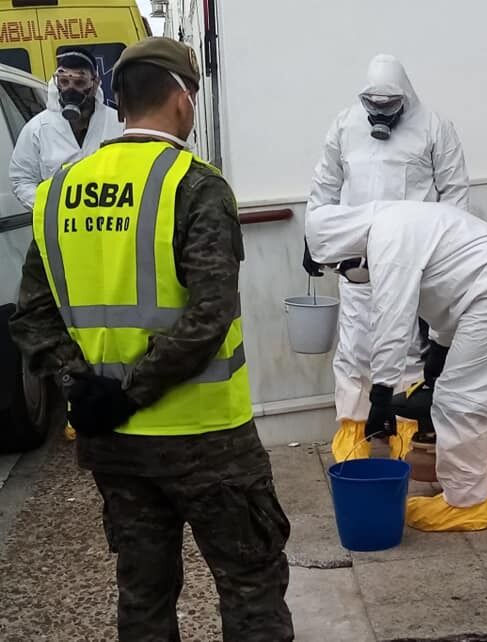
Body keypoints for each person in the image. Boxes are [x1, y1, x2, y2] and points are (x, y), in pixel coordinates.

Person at [8, 38, 293, 641]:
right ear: (182, 99)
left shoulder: (58, 191)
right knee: (250, 587)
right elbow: (209, 316)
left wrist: (80, 386)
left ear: (120, 101)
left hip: (115, 445)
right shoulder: (195, 185)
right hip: (207, 438)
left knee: (143, 594)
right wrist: (133, 391)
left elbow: (32, 314)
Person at [305, 200, 487, 532]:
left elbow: (391, 319)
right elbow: (450, 288)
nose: (346, 276)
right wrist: (438, 351)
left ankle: (466, 503)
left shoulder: (387, 238)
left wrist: (381, 394)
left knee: (457, 402)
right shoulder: (406, 220)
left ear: (348, 250)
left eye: (340, 269)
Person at [304, 53, 470, 464]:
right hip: (358, 258)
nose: (380, 113)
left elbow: (455, 192)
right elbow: (325, 184)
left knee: (408, 349)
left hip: (413, 258)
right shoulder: (345, 125)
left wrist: (444, 252)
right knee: (354, 345)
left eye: (389, 105)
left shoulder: (434, 127)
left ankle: (406, 432)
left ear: (406, 97)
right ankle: (353, 430)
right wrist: (314, 234)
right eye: (372, 105)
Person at [9, 47, 123, 211]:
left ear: (95, 83)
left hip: (108, 220)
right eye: (64, 82)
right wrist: (50, 208)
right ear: (56, 82)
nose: (71, 89)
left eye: (79, 82)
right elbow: (21, 179)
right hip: (61, 224)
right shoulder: (37, 129)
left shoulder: (118, 123)